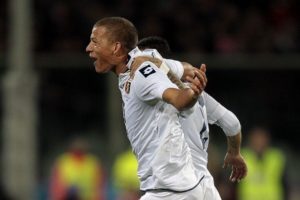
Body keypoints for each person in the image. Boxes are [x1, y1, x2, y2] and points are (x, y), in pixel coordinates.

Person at [86, 17, 209, 200]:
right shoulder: (142, 60)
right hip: (172, 186)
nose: (88, 48)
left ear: (116, 47)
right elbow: (182, 69)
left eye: (95, 42)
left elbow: (178, 99)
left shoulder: (141, 73)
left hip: (172, 189)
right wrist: (188, 70)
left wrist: (192, 92)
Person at [137, 36, 248, 199]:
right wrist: (234, 152)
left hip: (179, 187)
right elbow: (232, 123)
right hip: (206, 187)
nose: (135, 66)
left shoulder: (167, 95)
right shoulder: (194, 94)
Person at [237, 126, 288, 200]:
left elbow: (286, 182)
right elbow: (230, 184)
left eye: (262, 138)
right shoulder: (241, 157)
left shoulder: (276, 158)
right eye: (256, 138)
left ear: (267, 139)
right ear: (250, 139)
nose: (259, 141)